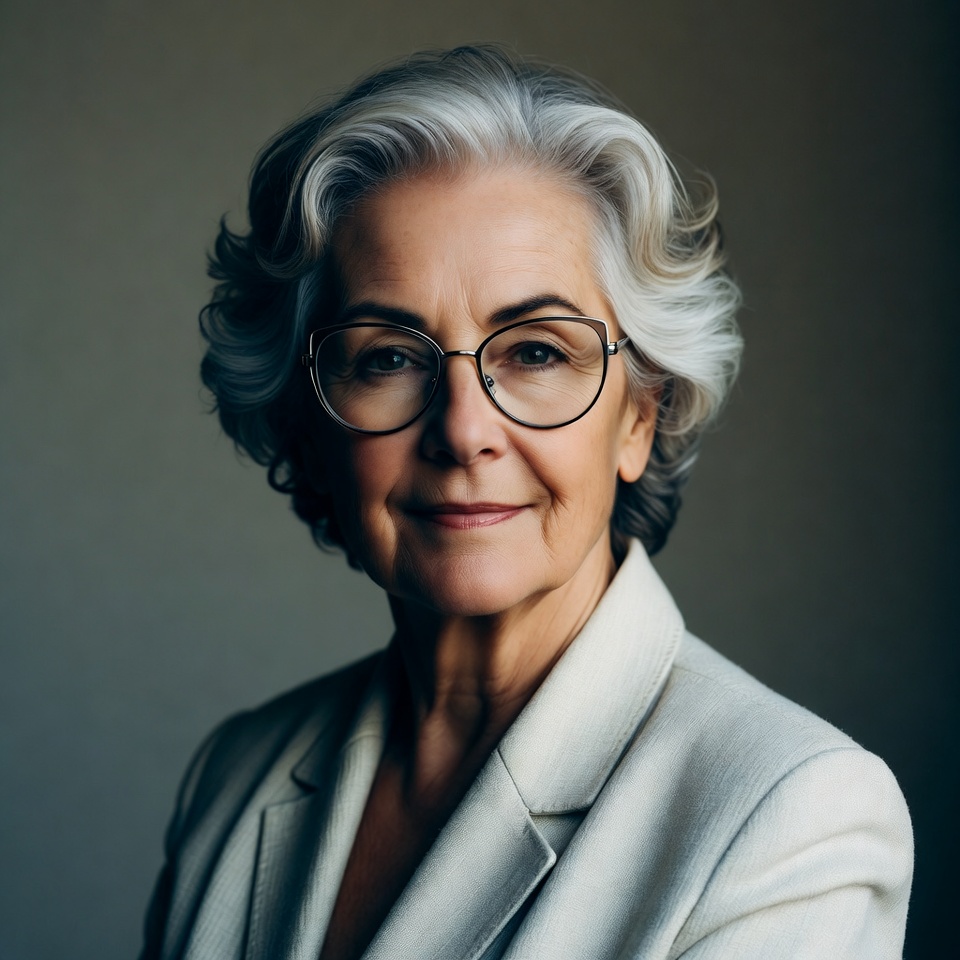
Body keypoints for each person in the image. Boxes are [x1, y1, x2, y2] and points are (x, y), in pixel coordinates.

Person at [140, 46, 912, 960]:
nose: (464, 430)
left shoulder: (790, 813)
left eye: (537, 351)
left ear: (639, 416)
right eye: (387, 356)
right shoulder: (235, 776)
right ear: (308, 421)